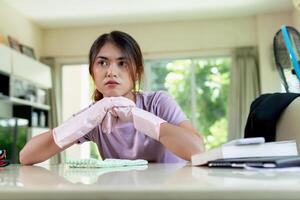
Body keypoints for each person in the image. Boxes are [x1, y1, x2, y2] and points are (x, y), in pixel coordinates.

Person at [19, 31, 205, 165]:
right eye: (102, 62)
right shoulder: (94, 115)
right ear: (92, 73)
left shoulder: (158, 102)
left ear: (137, 72)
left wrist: (137, 116)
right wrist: (82, 122)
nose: (111, 71)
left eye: (122, 63)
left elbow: (197, 150)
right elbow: (26, 156)